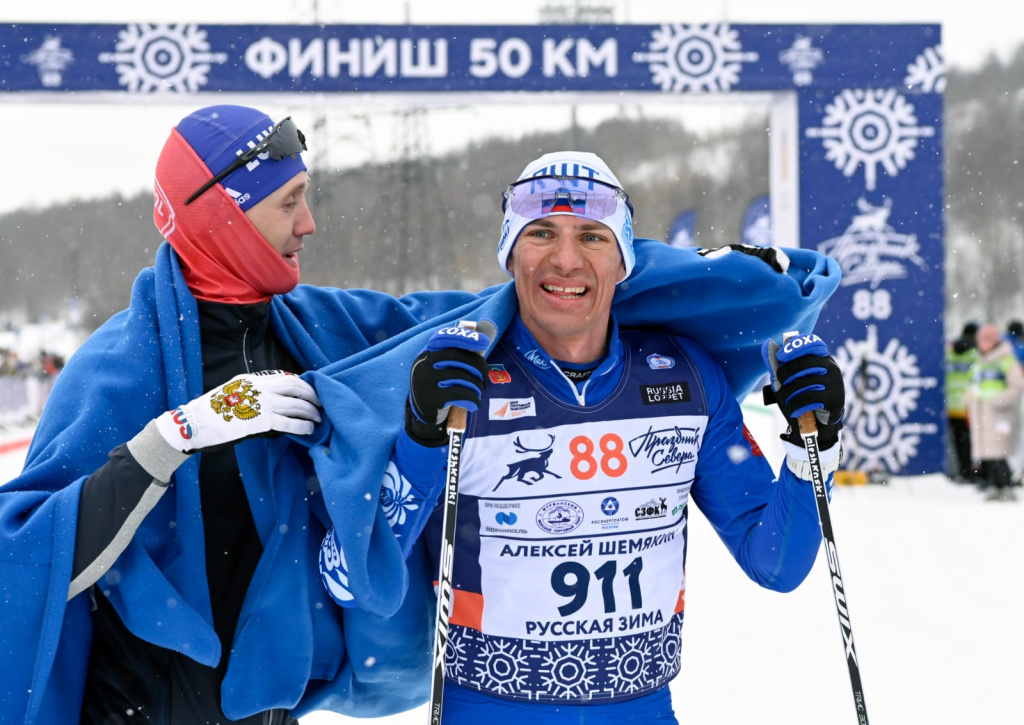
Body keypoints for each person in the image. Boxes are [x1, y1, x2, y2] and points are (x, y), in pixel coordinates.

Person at [0, 104, 493, 725]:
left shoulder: (319, 329)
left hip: (268, 711)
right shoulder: (117, 368)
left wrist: (593, 261)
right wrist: (176, 436)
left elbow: (476, 316)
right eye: (289, 202)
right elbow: (29, 556)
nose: (309, 223)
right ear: (222, 216)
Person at [318, 152, 846, 723]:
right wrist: (420, 437)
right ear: (509, 253)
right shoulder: (454, 383)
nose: (565, 260)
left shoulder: (685, 376)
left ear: (622, 261)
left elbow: (777, 563)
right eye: (541, 232)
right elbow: (348, 582)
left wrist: (812, 442)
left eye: (592, 237)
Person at [965, 323, 1024, 501]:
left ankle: (1005, 485)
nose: (983, 343)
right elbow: (972, 384)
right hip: (981, 414)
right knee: (987, 452)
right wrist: (970, 399)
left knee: (1000, 451)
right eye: (981, 339)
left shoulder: (1006, 360)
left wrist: (995, 401)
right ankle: (993, 485)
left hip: (1000, 414)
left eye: (987, 339)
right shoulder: (977, 362)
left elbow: (1017, 387)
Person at [946, 322, 979, 482]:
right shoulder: (976, 353)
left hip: (948, 404)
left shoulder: (949, 350)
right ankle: (968, 472)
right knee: (969, 443)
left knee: (954, 443)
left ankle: (956, 471)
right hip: (967, 406)